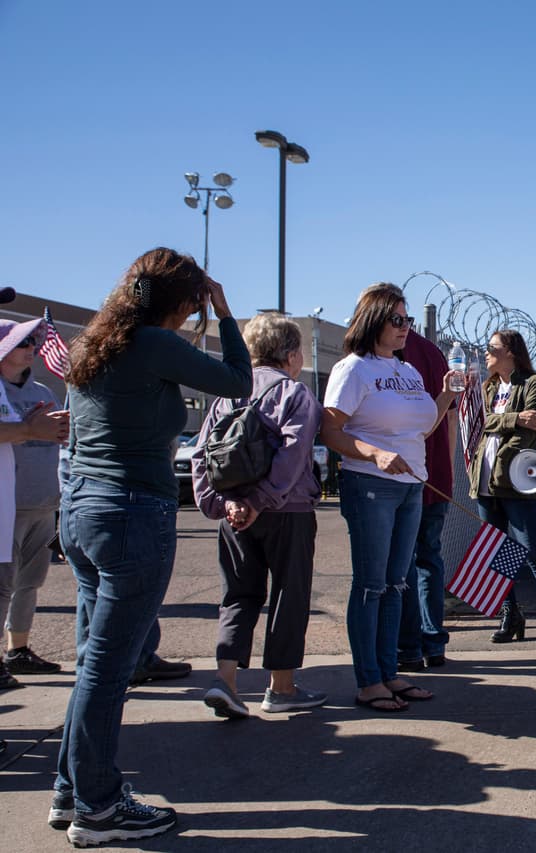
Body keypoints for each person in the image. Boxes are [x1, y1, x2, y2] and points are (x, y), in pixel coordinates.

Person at [51, 248, 252, 846]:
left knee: (94, 663)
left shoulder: (95, 344)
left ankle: (74, 791)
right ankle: (100, 808)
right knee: (111, 670)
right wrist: (225, 314)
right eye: (195, 302)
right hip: (132, 511)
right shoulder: (155, 344)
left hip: (83, 508)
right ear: (183, 301)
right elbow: (238, 382)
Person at [321, 283, 456, 712]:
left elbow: (422, 427)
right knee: (371, 584)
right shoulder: (352, 369)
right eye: (397, 319)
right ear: (373, 320)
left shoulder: (407, 370)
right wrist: (375, 453)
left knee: (397, 584)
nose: (405, 328)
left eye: (408, 319)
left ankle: (390, 672)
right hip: (371, 486)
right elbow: (330, 431)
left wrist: (448, 393)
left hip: (411, 486)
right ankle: (368, 681)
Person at [193, 312, 326, 718]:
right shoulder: (294, 394)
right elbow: (293, 454)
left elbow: (203, 454)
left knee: (238, 595)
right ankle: (280, 687)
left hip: (234, 513)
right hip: (287, 511)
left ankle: (226, 680)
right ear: (289, 353)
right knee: (289, 593)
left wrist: (223, 503)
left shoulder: (226, 396)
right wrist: (261, 500)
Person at [466, 329, 536, 646]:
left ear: (510, 352)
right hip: (485, 479)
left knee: (531, 549)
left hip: (515, 477)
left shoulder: (533, 384)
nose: (486, 353)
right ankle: (510, 613)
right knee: (498, 549)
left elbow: (532, 423)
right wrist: (513, 418)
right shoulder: (490, 387)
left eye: (491, 347)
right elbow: (480, 424)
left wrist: (501, 419)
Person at [0, 317, 67, 687]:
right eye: (22, 342)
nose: (31, 348)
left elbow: (61, 439)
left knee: (30, 582)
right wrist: (27, 429)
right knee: (2, 585)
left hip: (43, 504)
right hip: (7, 506)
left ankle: (18, 649)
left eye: (33, 342)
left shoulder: (43, 389)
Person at [397, 329, 456, 671]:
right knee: (429, 559)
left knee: (402, 564)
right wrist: (444, 471)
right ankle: (432, 641)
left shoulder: (389, 356)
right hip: (433, 475)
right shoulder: (433, 354)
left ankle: (408, 644)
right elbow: (450, 416)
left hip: (405, 476)